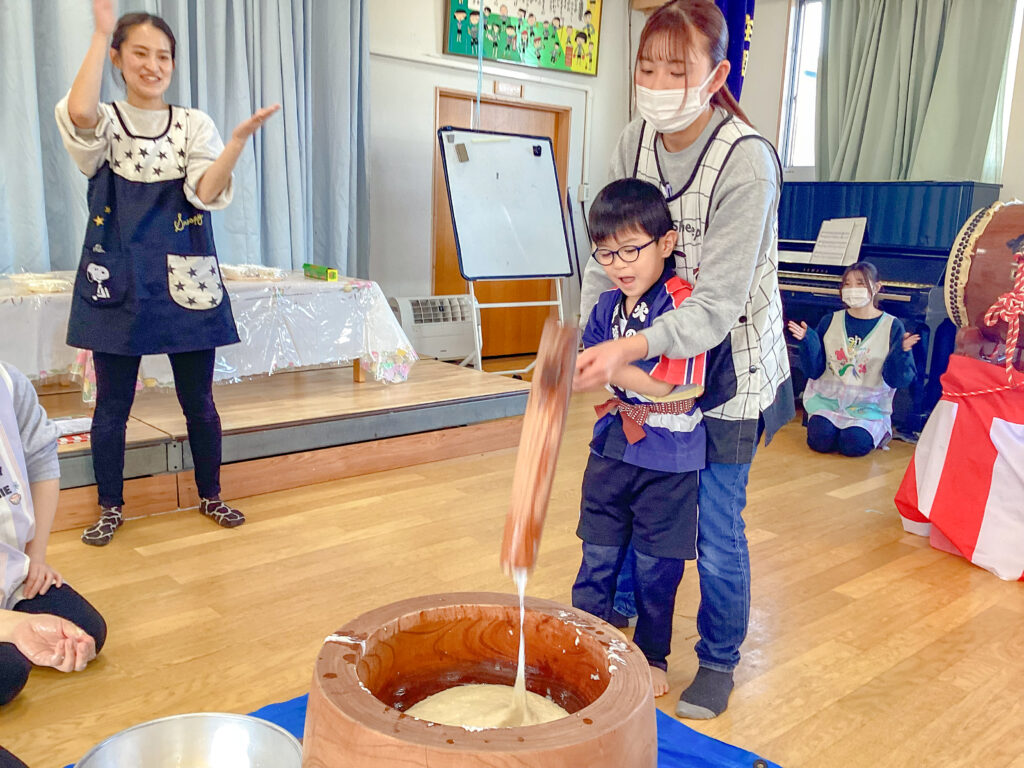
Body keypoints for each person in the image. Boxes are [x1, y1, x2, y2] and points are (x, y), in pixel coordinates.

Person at [574, 0, 793, 719]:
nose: (658, 80)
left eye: (677, 67)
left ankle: (721, 658)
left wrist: (626, 347)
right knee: (638, 500)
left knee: (713, 525)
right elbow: (599, 250)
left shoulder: (745, 160)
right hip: (643, 358)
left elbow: (716, 307)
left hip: (728, 368)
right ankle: (635, 634)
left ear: (716, 74)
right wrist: (588, 339)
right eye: (646, 66)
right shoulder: (634, 140)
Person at [55, 0, 280, 545]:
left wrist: (234, 145)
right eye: (139, 53)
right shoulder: (105, 120)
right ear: (117, 59)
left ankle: (211, 494)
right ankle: (111, 505)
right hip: (117, 274)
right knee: (113, 403)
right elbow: (81, 114)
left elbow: (204, 192)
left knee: (198, 400)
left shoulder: (192, 124)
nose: (152, 65)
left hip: (187, 275)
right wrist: (99, 32)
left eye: (163, 56)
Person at [571, 178, 707, 698]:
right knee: (597, 554)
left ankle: (652, 656)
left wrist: (610, 362)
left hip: (669, 459)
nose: (620, 264)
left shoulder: (684, 303)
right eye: (607, 253)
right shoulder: (606, 304)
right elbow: (602, 371)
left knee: (657, 568)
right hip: (611, 445)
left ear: (666, 244)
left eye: (631, 249)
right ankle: (584, 645)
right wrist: (598, 366)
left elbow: (683, 384)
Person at [0, 362, 106, 708]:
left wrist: (35, 559)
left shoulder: (8, 382)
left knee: (86, 631)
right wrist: (15, 627)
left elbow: (42, 459)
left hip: (7, 570)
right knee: (8, 672)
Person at [788, 262, 919, 456]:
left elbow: (896, 378)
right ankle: (834, 429)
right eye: (847, 284)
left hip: (867, 406)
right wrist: (808, 340)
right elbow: (814, 369)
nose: (852, 289)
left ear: (876, 287)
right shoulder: (830, 320)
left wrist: (903, 351)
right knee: (820, 440)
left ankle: (863, 431)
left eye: (860, 283)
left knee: (854, 444)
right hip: (829, 402)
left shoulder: (892, 326)